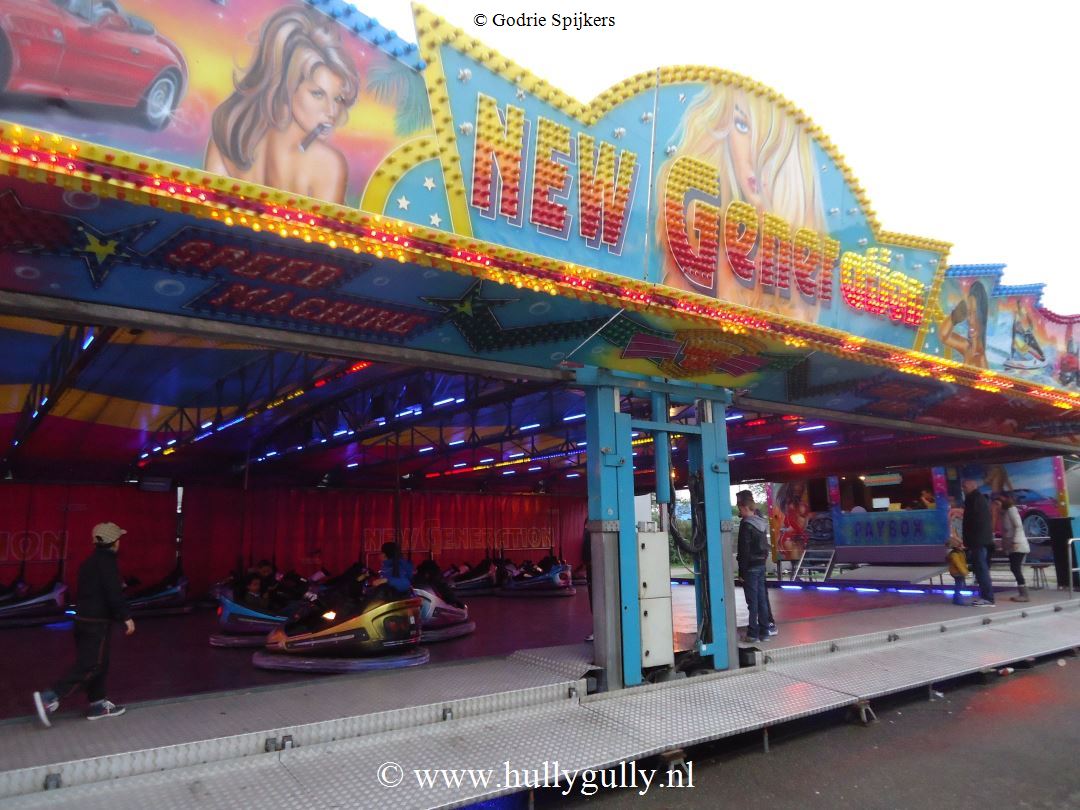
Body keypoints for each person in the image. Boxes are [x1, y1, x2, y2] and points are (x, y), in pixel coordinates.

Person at [656, 84, 827, 320]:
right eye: (742, 126)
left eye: (772, 140)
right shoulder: (697, 226)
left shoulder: (795, 266)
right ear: (725, 128)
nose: (753, 157)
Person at [205, 6, 361, 204]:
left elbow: (207, 210)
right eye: (317, 94)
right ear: (287, 88)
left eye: (338, 99)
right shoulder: (328, 165)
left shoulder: (226, 137)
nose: (332, 111)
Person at [33, 522, 135, 726]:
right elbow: (113, 593)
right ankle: (50, 697)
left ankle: (98, 703)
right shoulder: (108, 563)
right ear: (114, 542)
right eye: (119, 539)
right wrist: (126, 616)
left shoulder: (88, 563)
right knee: (92, 664)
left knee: (99, 662)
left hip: (83, 620)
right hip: (97, 623)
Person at [736, 490, 771, 643]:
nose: (740, 512)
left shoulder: (746, 525)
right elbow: (765, 547)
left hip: (750, 567)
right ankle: (765, 632)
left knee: (752, 602)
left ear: (744, 508)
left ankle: (752, 633)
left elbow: (744, 550)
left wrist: (741, 572)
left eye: (740, 509)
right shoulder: (761, 523)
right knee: (762, 599)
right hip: (761, 565)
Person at [937, 280, 989, 368]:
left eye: (975, 313)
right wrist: (954, 316)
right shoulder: (968, 347)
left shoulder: (980, 358)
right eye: (969, 312)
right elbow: (943, 336)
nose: (970, 320)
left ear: (982, 317)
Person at [961, 477, 995, 605]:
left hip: (977, 540)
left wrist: (968, 539)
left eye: (965, 487)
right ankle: (986, 596)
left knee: (981, 568)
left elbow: (972, 522)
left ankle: (987, 598)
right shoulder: (980, 499)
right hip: (982, 540)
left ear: (972, 486)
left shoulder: (973, 500)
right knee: (981, 568)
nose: (963, 489)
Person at [999, 495, 1031, 602]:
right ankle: (1022, 593)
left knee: (1016, 568)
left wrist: (1015, 541)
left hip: (1018, 545)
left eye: (999, 501)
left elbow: (1018, 526)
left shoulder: (1012, 510)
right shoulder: (1004, 513)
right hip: (1012, 546)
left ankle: (1024, 594)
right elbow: (1006, 532)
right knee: (1015, 568)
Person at [946, 536, 969, 606]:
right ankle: (957, 599)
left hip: (958, 572)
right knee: (959, 586)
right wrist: (964, 571)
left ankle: (956, 598)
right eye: (961, 545)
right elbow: (958, 564)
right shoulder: (955, 554)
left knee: (959, 585)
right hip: (957, 572)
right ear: (956, 546)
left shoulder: (960, 552)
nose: (963, 547)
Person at [581, 520, 594, 642]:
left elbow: (586, 555)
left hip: (593, 571)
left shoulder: (589, 535)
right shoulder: (588, 535)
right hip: (592, 570)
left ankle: (597, 631)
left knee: (595, 601)